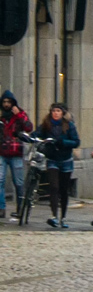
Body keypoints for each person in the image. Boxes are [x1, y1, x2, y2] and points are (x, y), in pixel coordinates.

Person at [34, 103, 80, 228]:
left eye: (58, 111)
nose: (56, 113)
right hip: (52, 159)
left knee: (63, 189)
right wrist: (31, 138)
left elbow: (76, 142)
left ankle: (63, 217)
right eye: (54, 111)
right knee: (54, 187)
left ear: (62, 113)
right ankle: (54, 215)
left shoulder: (69, 125)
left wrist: (63, 142)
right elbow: (37, 134)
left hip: (66, 160)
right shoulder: (46, 124)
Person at [0, 90, 32, 220]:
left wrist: (19, 115)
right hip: (1, 152)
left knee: (18, 182)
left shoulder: (20, 114)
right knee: (0, 181)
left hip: (16, 152)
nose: (6, 104)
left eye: (9, 102)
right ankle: (1, 208)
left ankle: (20, 207)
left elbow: (29, 127)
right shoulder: (1, 115)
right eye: (4, 102)